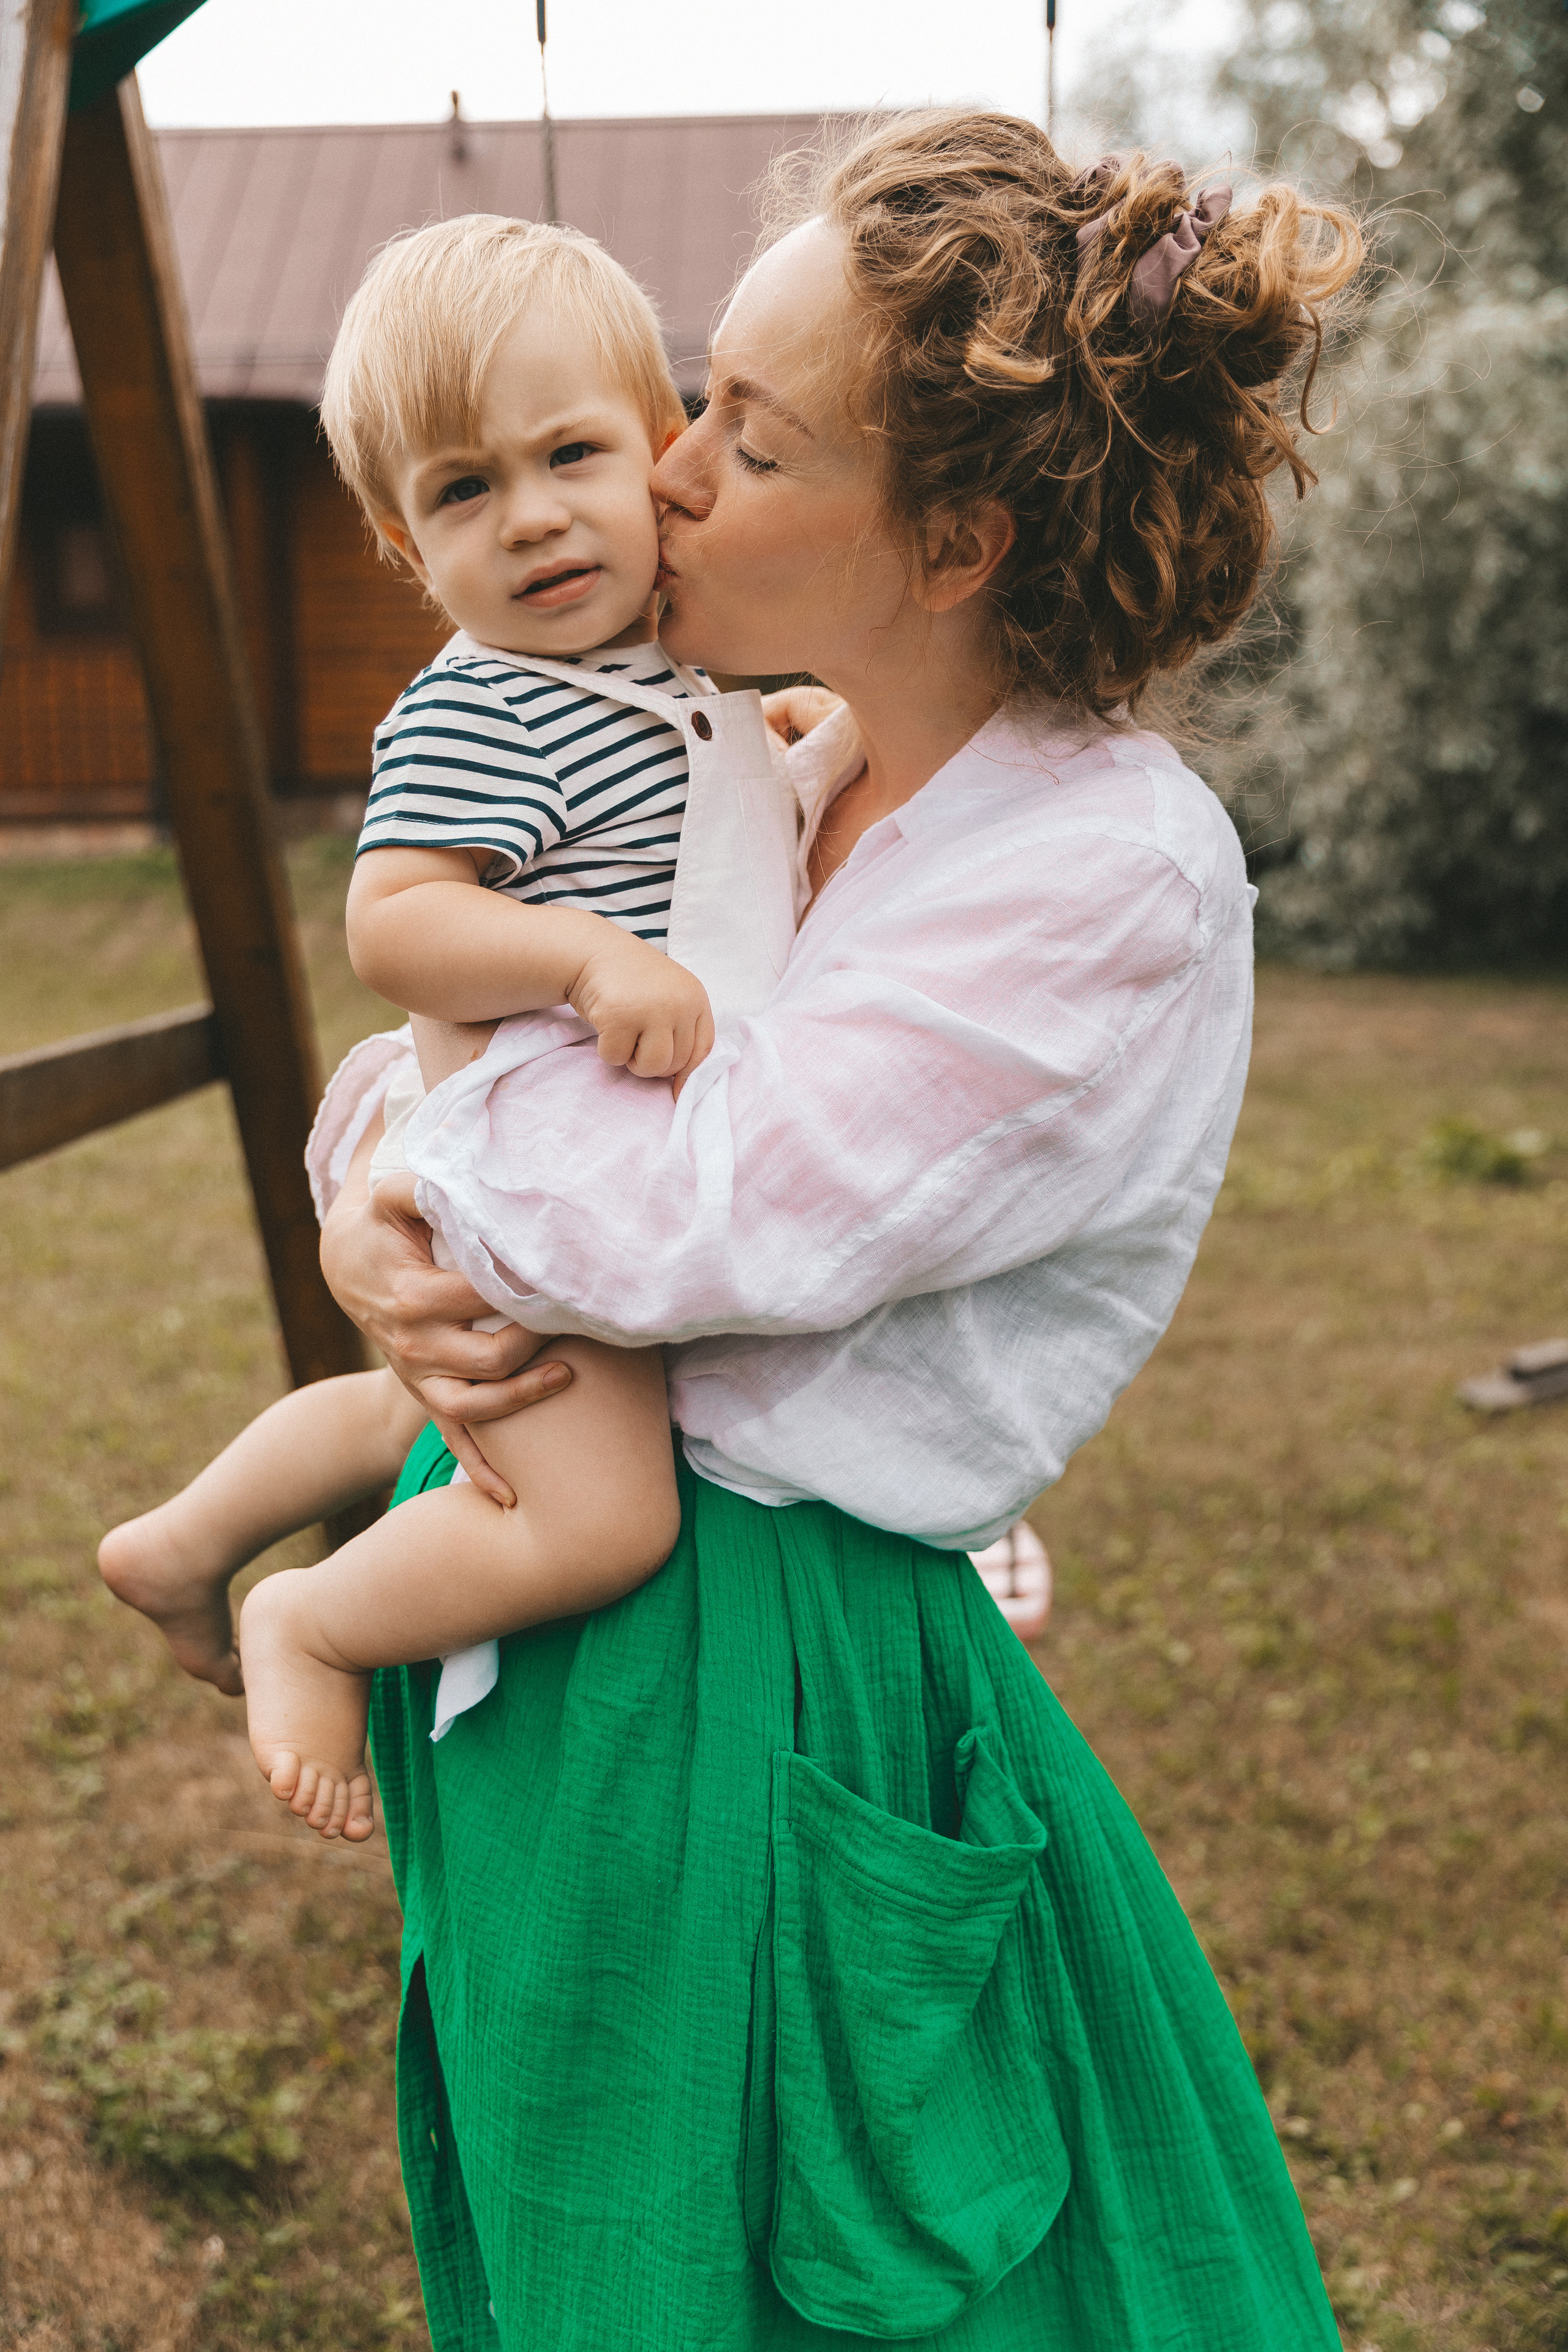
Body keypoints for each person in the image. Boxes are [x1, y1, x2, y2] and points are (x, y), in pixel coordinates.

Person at [315, 112, 1362, 2348]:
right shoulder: (772, 760)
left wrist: (411, 1181)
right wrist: (375, 1191)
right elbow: (487, 1029)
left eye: (749, 438)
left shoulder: (1099, 872)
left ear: (954, 542)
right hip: (570, 1593)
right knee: (584, 2212)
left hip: (774, 1664)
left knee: (820, 2266)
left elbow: (705, 1217)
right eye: (696, 399)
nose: (666, 473)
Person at [97, 214, 799, 1840]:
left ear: (664, 447)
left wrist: (783, 734)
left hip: (595, 1141)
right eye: (465, 489)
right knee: (599, 1513)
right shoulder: (486, 705)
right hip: (550, 1152)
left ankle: (189, 1539)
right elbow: (394, 922)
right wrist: (579, 960)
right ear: (404, 542)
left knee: (432, 1407)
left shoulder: (681, 665)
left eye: (571, 454)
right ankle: (311, 1619)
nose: (532, 515)